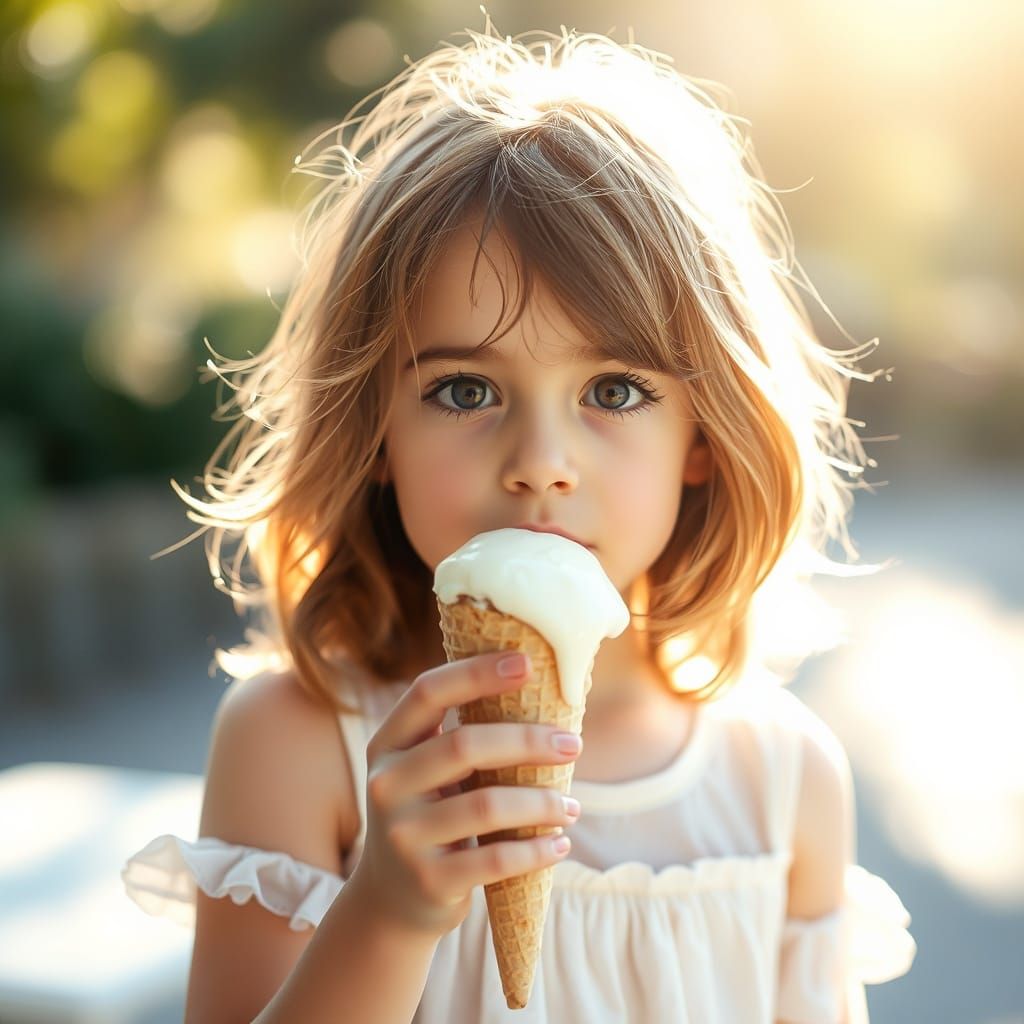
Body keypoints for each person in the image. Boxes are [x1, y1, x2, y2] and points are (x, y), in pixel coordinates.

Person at [123, 20, 916, 1023]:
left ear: (704, 436)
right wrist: (389, 912)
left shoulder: (783, 777)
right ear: (374, 431)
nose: (540, 464)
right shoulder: (299, 743)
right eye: (463, 391)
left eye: (615, 391)